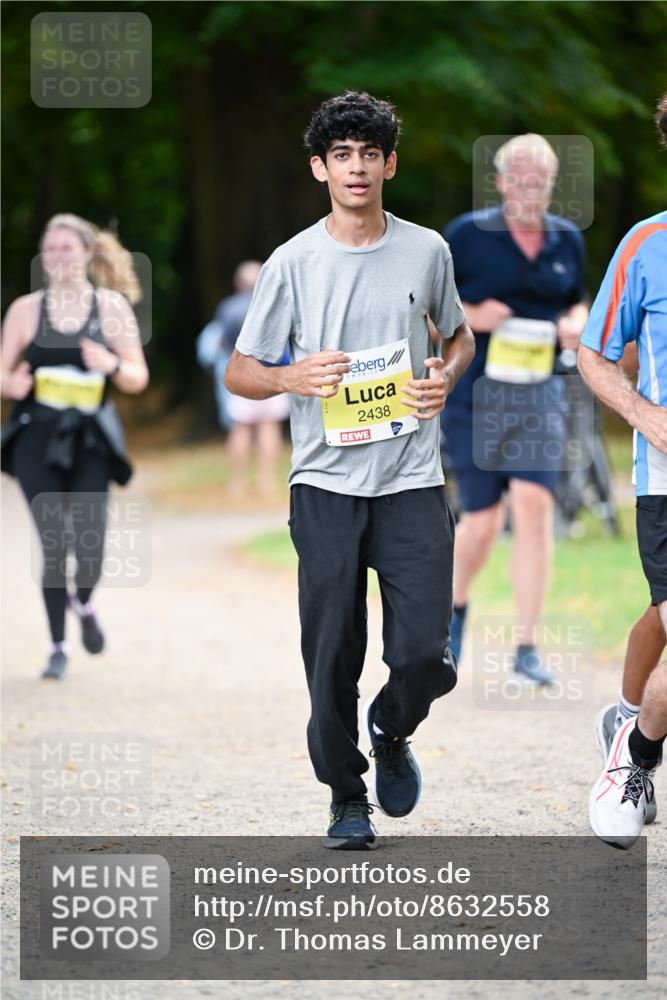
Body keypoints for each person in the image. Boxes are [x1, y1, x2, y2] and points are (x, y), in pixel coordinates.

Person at [225, 91, 474, 849]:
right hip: (325, 483)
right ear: (319, 168)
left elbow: (458, 338)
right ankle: (345, 794)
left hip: (410, 480)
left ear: (389, 164)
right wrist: (289, 378)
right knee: (332, 647)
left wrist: (445, 376)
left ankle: (391, 725)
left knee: (424, 654)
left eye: (370, 153)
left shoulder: (427, 249)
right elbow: (241, 371)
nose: (357, 166)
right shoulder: (293, 262)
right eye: (342, 154)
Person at [441, 134, 588, 683]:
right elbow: (430, 315)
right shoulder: (467, 235)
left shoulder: (566, 240)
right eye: (520, 181)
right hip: (476, 396)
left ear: (552, 185)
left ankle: (526, 647)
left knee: (533, 507)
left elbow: (575, 298)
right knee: (481, 522)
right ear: (501, 183)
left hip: (540, 392)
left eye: (541, 183)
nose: (530, 192)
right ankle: (453, 611)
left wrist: (576, 319)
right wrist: (472, 314)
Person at [1, 213, 149, 680]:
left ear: (87, 253)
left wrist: (109, 363)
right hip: (36, 436)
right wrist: (14, 381)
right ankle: (57, 646)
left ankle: (82, 602)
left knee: (90, 545)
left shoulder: (111, 309)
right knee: (52, 541)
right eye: (51, 248)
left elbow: (137, 377)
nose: (58, 256)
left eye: (67, 248)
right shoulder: (26, 309)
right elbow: (3, 375)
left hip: (89, 438)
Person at [580, 95, 667, 850]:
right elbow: (593, 354)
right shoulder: (645, 245)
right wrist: (645, 417)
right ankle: (632, 759)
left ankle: (630, 720)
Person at [218, 261, 290, 497]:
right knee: (269, 425)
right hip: (273, 373)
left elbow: (224, 341)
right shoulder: (275, 304)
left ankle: (237, 482)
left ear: (238, 284)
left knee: (241, 427)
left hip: (240, 374)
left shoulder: (228, 307)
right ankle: (266, 480)